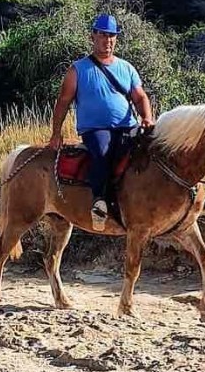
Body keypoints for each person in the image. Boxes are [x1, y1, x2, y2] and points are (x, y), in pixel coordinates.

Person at [49, 14, 155, 231]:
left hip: (127, 125)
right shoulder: (78, 69)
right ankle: (99, 203)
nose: (108, 40)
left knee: (154, 148)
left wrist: (146, 118)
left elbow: (139, 96)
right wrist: (56, 132)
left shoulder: (126, 68)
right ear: (93, 36)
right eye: (103, 35)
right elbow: (63, 101)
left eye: (112, 36)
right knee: (103, 152)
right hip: (95, 128)